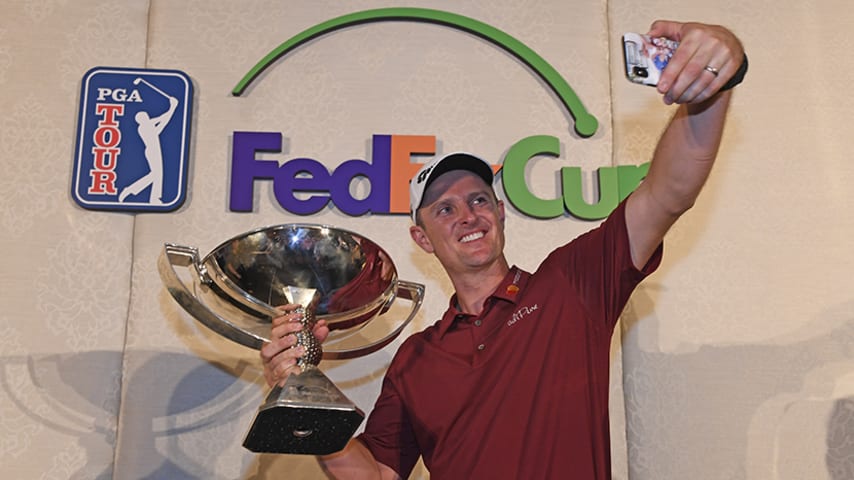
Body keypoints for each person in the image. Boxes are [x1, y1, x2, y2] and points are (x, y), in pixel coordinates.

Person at [260, 19, 746, 479]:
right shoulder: (415, 359)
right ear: (422, 239)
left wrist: (716, 75)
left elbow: (668, 193)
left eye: (478, 199)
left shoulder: (571, 284)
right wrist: (303, 394)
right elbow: (377, 473)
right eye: (444, 210)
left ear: (500, 212)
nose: (468, 215)